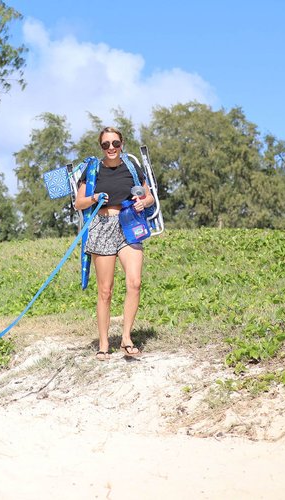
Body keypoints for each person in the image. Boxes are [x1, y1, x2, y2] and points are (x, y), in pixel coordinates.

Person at [74, 126, 155, 360]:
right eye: (106, 144)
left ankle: (126, 338)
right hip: (102, 226)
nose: (111, 148)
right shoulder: (92, 169)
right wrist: (94, 198)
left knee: (135, 282)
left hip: (129, 224)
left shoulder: (131, 166)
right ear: (101, 147)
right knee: (105, 291)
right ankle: (103, 343)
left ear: (122, 144)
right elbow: (79, 203)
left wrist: (143, 202)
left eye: (115, 143)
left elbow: (149, 196)